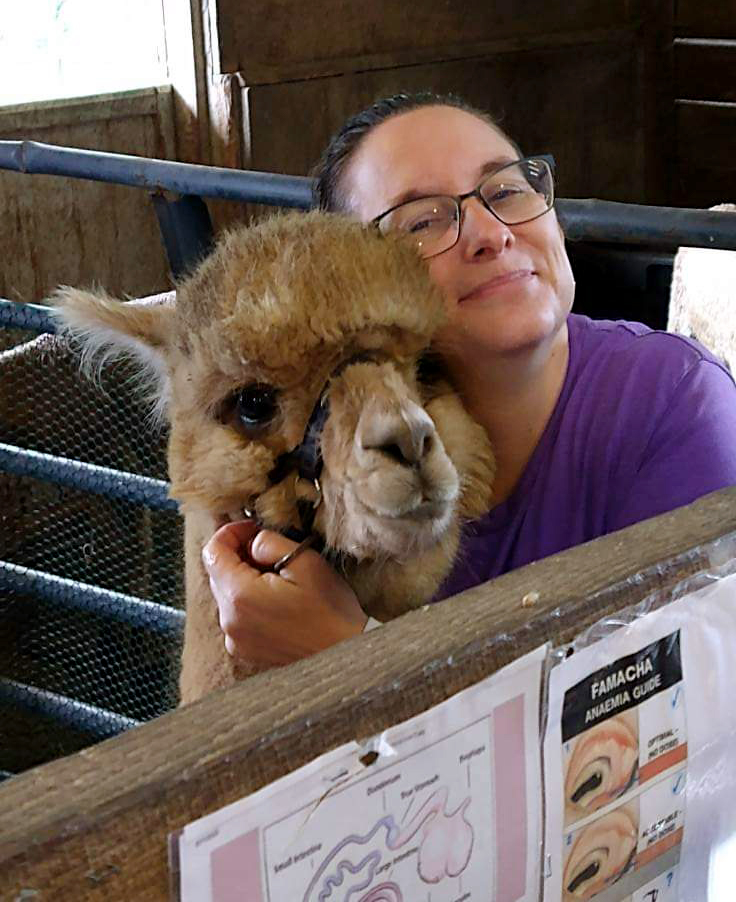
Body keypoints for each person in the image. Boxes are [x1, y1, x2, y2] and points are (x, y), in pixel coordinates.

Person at [204, 92, 736, 665]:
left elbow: (669, 717)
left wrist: (352, 655)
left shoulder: (673, 401)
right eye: (423, 221)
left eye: (507, 190)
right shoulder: (320, 482)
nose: (491, 232)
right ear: (354, 286)